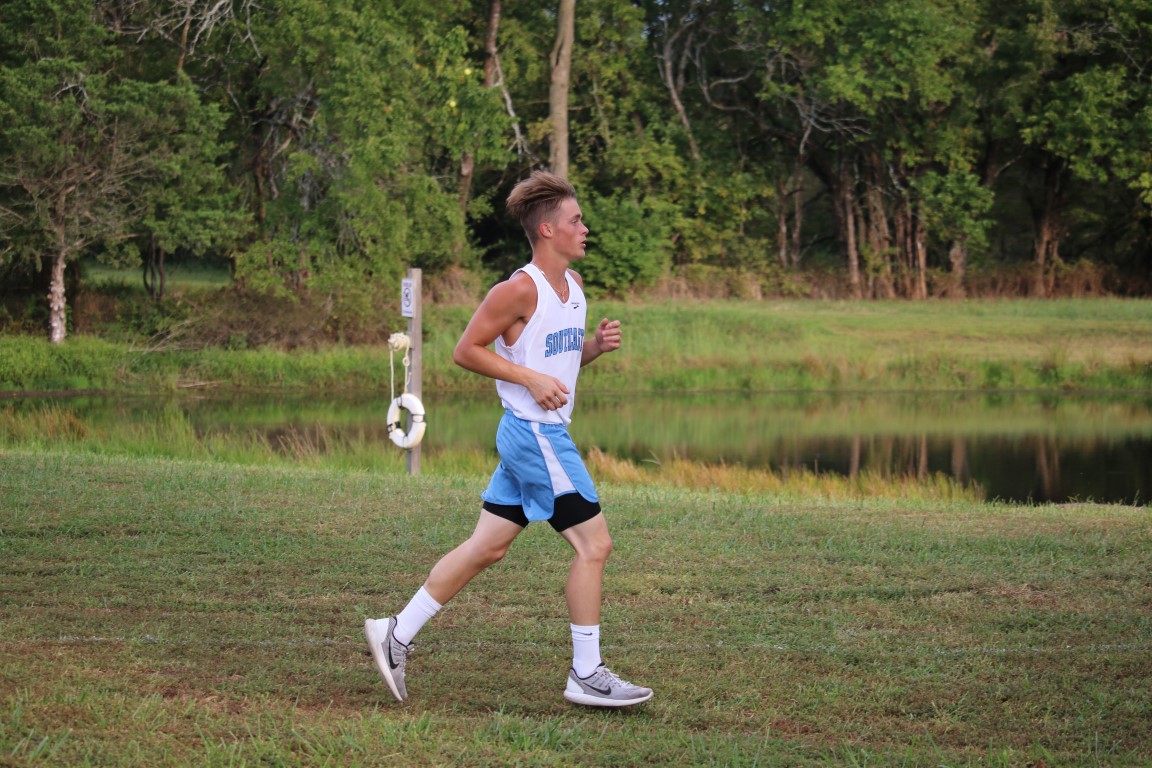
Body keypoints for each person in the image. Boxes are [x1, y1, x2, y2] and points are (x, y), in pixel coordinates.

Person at [364, 170, 652, 708]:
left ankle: (395, 633)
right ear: (547, 230)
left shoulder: (574, 287)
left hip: (534, 434)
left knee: (487, 547)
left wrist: (592, 348)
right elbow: (465, 351)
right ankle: (586, 673)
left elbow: (554, 365)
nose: (585, 228)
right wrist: (529, 380)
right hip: (535, 435)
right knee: (595, 545)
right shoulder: (518, 289)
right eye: (576, 220)